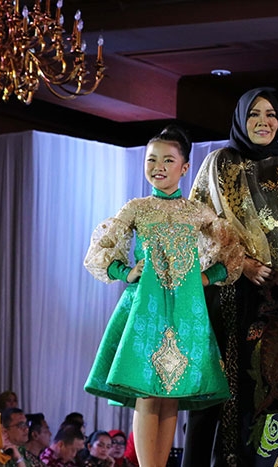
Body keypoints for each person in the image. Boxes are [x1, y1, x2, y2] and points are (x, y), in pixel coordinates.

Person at [83, 125, 243, 467]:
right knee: (147, 391)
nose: (159, 166)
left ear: (184, 168)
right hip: (145, 308)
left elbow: (231, 252)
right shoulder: (137, 208)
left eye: (168, 160)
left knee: (172, 393)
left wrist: (207, 276)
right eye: (152, 159)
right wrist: (125, 272)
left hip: (185, 311)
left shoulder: (197, 212)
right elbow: (102, 247)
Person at [183, 87, 278, 466]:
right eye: (254, 114)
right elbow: (199, 225)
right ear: (241, 119)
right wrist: (242, 263)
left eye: (271, 114)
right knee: (237, 383)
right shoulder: (219, 163)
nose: (264, 122)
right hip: (235, 292)